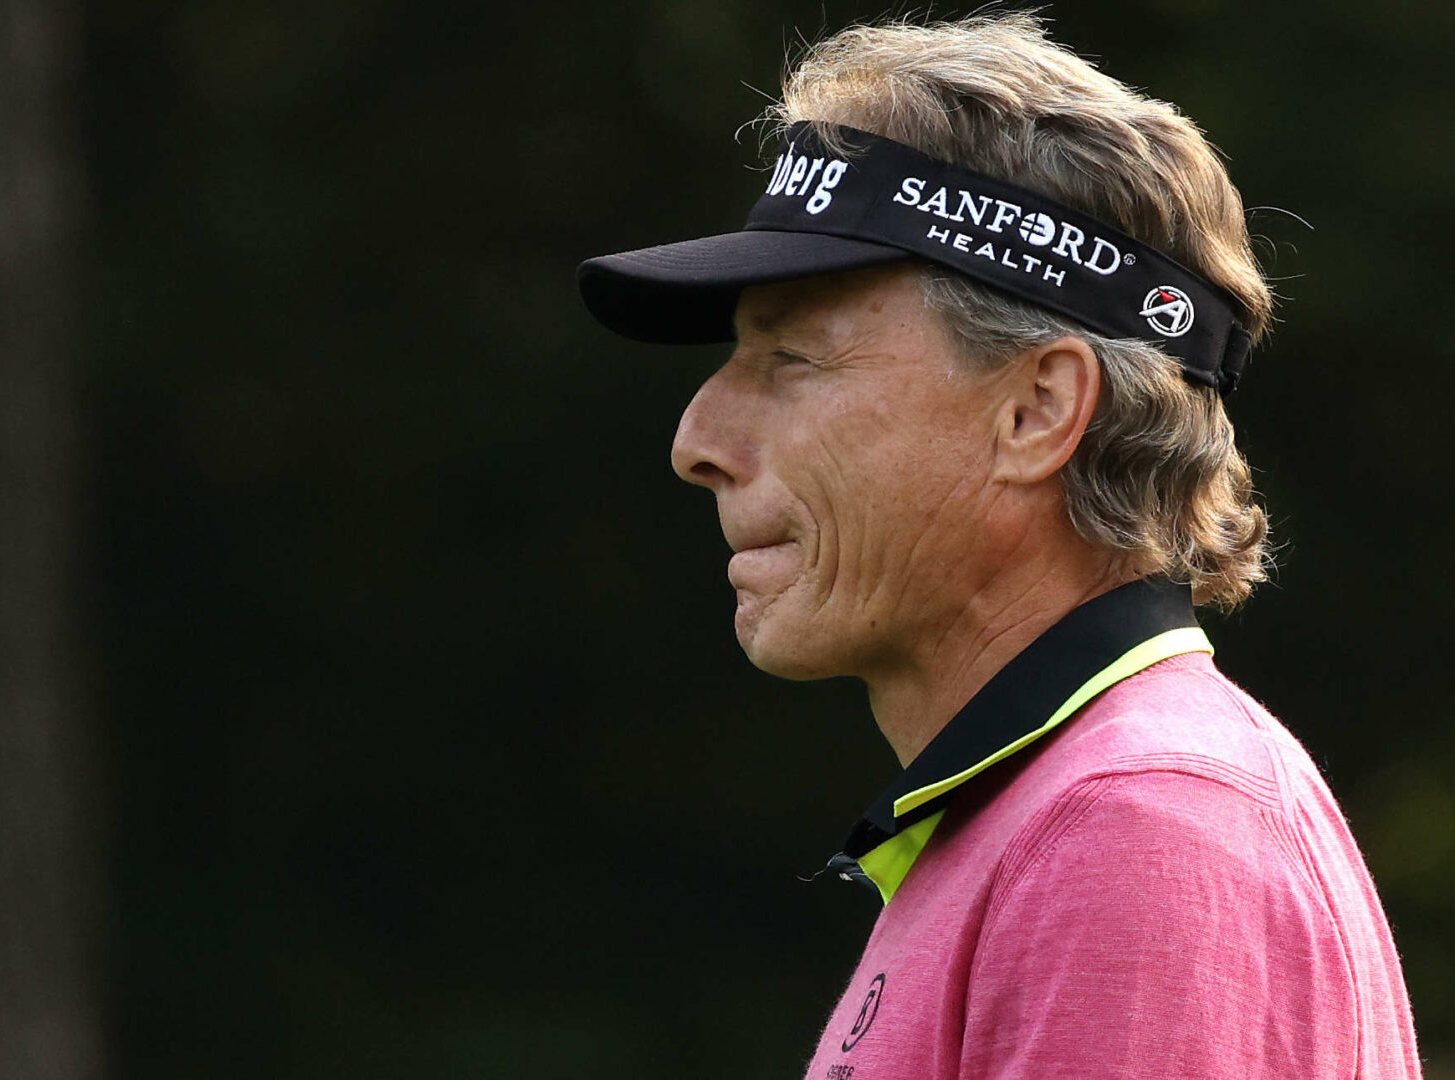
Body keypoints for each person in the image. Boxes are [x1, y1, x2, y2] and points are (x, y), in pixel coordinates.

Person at [577, 14, 1421, 1079]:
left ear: (1036, 410)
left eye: (791, 357)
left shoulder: (1133, 830)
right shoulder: (1055, 816)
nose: (697, 442)